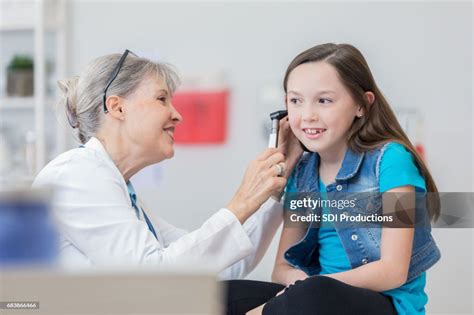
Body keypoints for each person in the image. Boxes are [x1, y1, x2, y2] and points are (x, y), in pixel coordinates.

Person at [32, 50, 299, 280]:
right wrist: (242, 201)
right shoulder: (76, 175)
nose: (177, 114)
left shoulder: (119, 189)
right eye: (162, 99)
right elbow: (152, 276)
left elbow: (216, 268)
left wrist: (274, 191)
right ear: (117, 107)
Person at [227, 43, 441, 315]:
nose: (307, 116)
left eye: (324, 100)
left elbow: (393, 271)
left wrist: (306, 289)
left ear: (362, 105)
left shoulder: (392, 161)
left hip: (386, 304)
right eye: (296, 101)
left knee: (313, 293)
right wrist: (297, 287)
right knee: (226, 293)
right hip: (317, 297)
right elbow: (280, 269)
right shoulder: (303, 172)